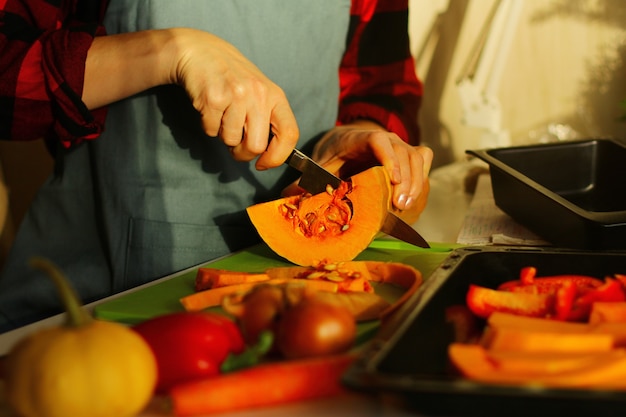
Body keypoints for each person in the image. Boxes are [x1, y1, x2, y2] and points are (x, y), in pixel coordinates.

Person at [0, 0, 433, 331]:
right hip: (91, 304)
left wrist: (354, 133)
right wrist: (166, 51)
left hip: (302, 303)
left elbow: (382, 85)